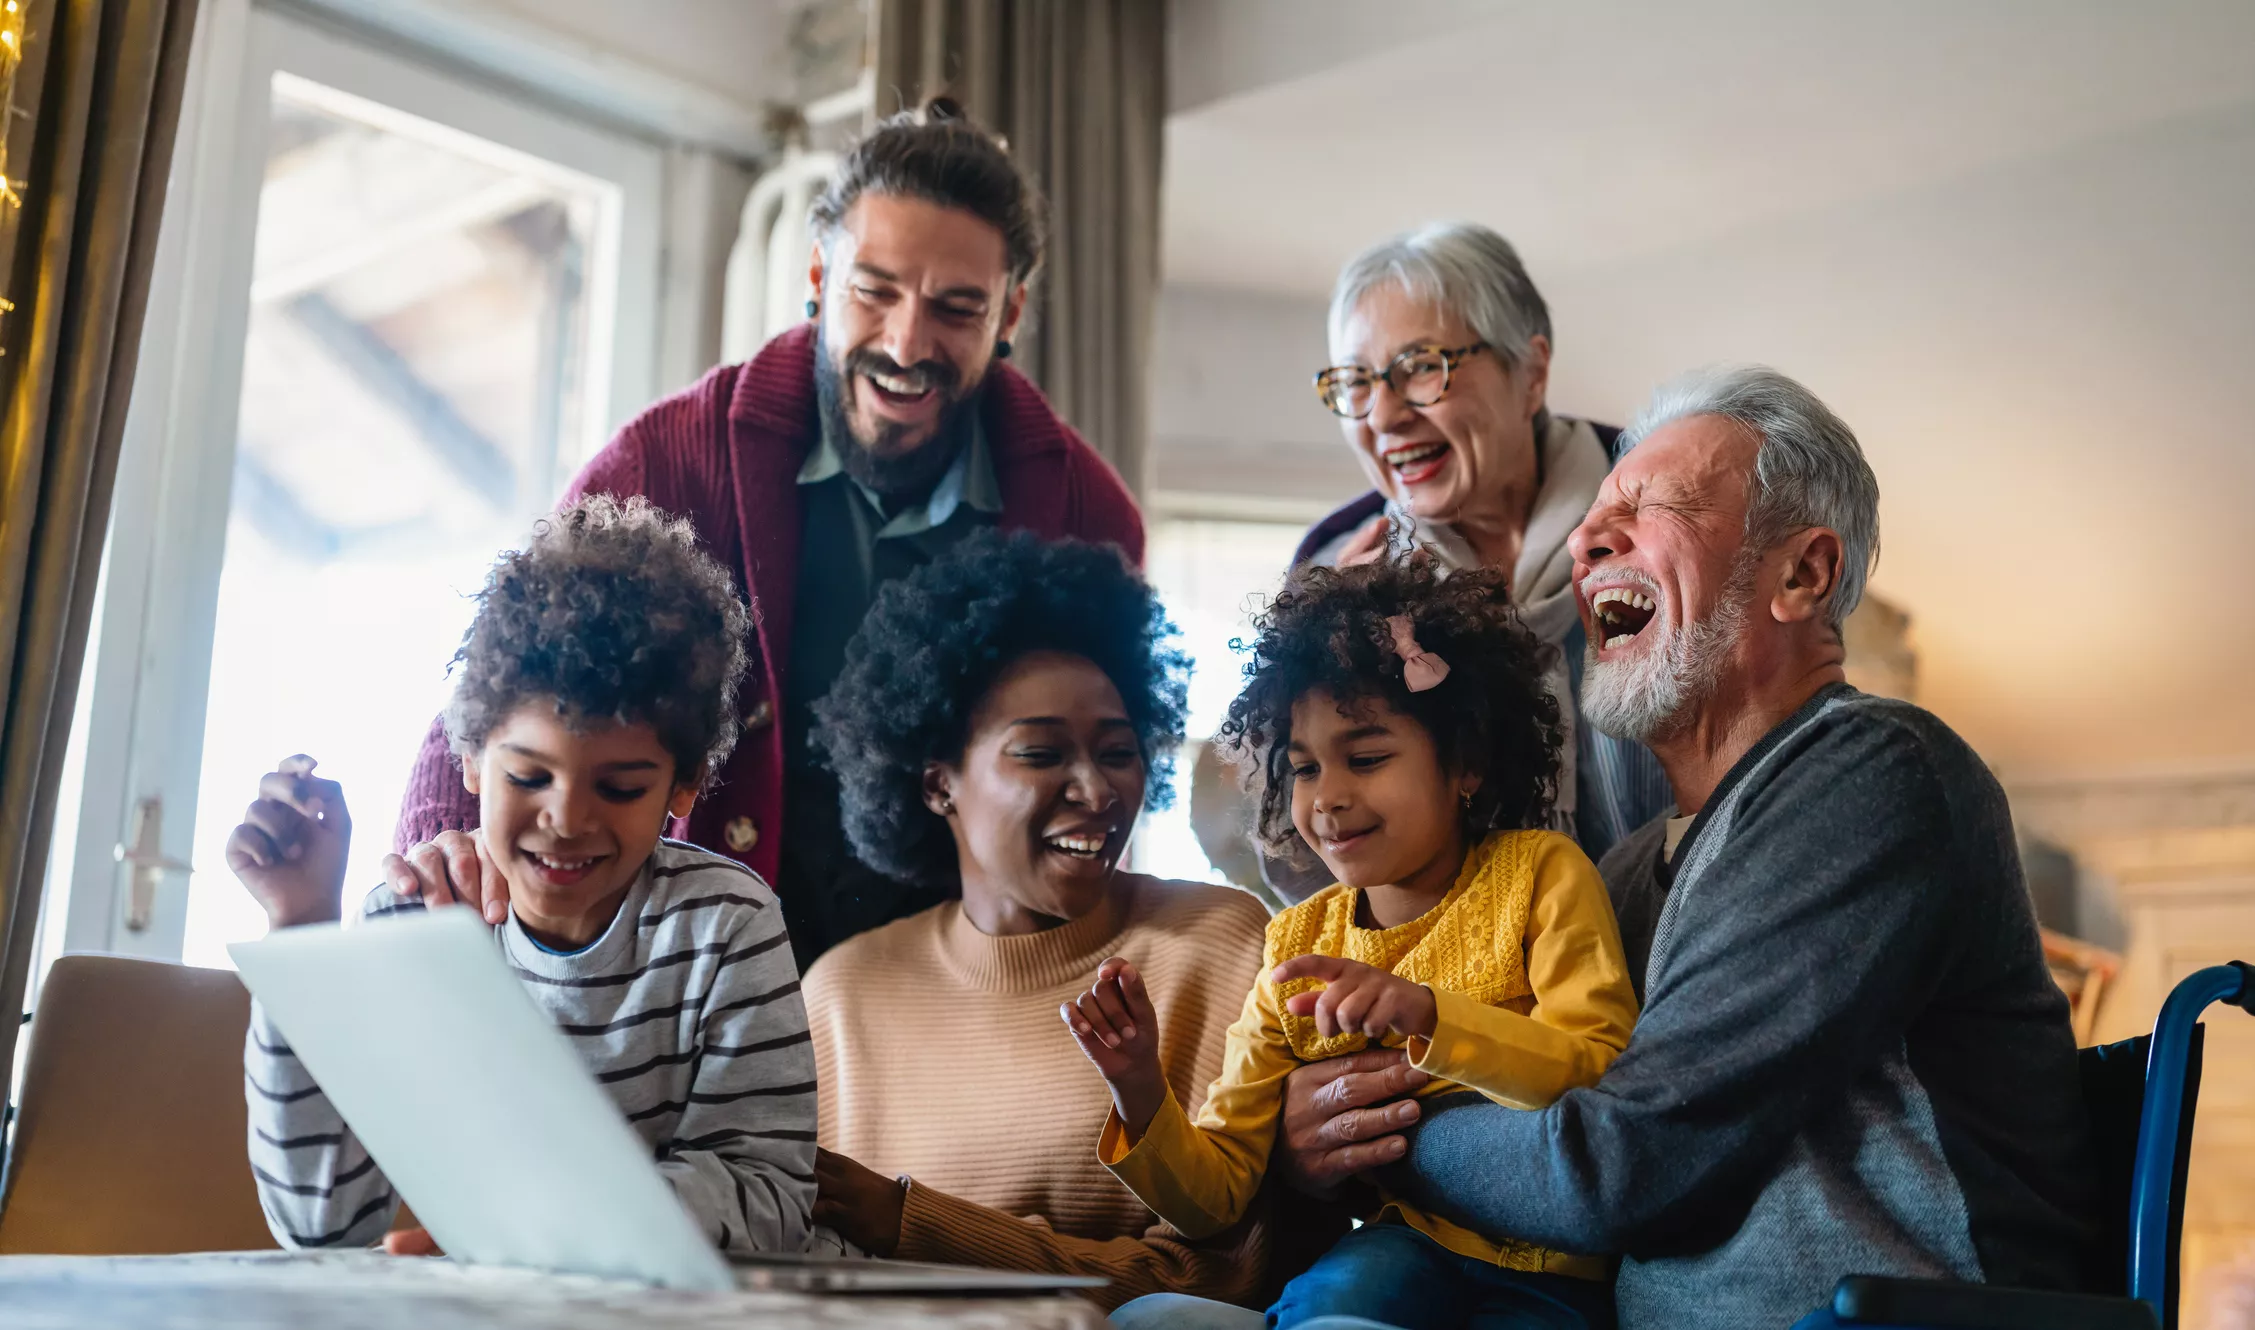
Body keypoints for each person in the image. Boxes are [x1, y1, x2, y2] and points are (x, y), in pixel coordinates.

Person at [1262, 366, 2101, 1329]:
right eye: (1594, 517)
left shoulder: (1874, 773)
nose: (1586, 538)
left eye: (1651, 505)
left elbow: (1617, 1169)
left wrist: (1370, 1131)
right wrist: (1301, 1139)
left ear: (1803, 574)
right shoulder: (1615, 879)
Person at [380, 99, 1143, 971]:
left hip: (954, 988)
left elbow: (1097, 783)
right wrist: (446, 846)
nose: (905, 341)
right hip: (686, 973)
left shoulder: (1090, 519)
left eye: (956, 309)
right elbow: (519, 664)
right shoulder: (668, 458)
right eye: (874, 290)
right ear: (818, 275)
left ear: (1010, 316)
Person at [232, 496, 815, 1256]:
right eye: (530, 776)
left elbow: (769, 1198)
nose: (567, 819)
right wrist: (301, 931)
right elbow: (321, 1224)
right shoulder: (406, 930)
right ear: (470, 759)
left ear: (685, 787)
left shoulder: (726, 926)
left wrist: (538, 1236)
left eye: (620, 787)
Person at [1072, 557, 1637, 1330]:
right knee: (1166, 1318)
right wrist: (1139, 1091)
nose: (1327, 798)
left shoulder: (1541, 873)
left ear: (1467, 763)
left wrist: (1429, 1018)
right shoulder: (1295, 945)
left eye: (1365, 759)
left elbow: (1598, 1071)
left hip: (1558, 1273)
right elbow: (1215, 1199)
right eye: (1303, 769)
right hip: (1399, 1252)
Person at [798, 531, 1285, 1313]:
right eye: (1040, 754)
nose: (1095, 790)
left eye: (1118, 751)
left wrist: (913, 1223)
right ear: (937, 785)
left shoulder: (1215, 947)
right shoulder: (842, 995)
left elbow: (1219, 1281)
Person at [1296, 223, 1669, 867]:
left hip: (1675, 940)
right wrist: (1338, 659)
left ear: (1531, 374)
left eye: (1418, 369)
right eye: (1356, 382)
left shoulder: (1666, 520)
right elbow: (1301, 843)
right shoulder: (1334, 572)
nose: (1382, 417)